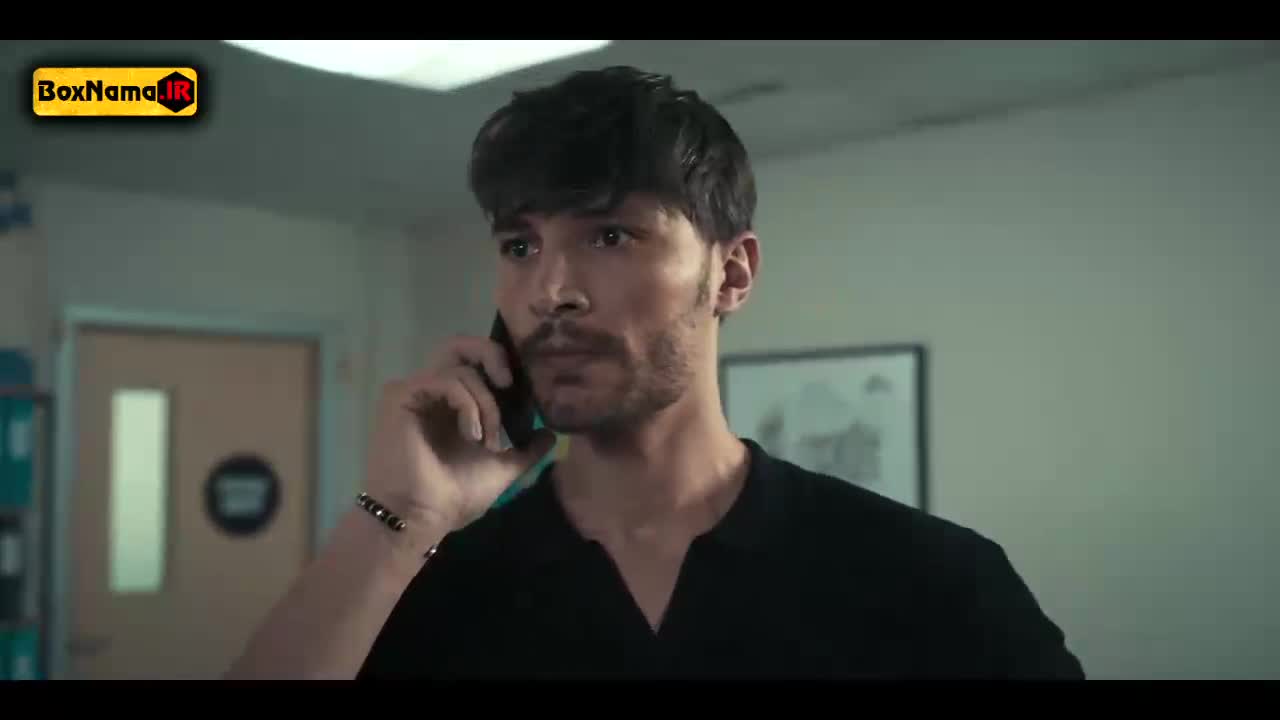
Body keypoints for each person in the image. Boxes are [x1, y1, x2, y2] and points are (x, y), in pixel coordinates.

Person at [226, 65, 1085, 680]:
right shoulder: (426, 589)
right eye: (520, 246)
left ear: (732, 274)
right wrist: (399, 522)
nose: (551, 291)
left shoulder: (931, 581)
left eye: (610, 235)